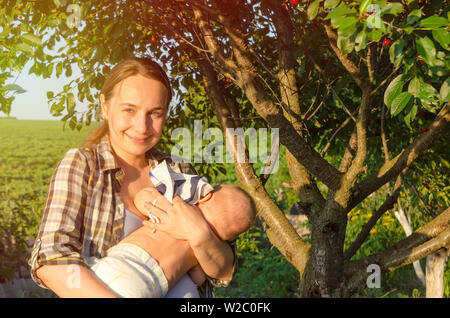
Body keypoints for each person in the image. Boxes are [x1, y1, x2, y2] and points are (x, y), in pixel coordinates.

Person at [29, 57, 238, 298]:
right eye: (129, 110)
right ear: (105, 106)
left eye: (155, 113)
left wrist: (200, 234)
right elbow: (51, 261)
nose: (142, 126)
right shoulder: (84, 165)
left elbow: (223, 271)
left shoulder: (178, 170)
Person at [88, 161, 256, 297]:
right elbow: (198, 279)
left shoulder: (178, 203)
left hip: (126, 263)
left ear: (206, 197)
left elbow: (142, 199)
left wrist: (154, 200)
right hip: (154, 288)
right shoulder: (204, 251)